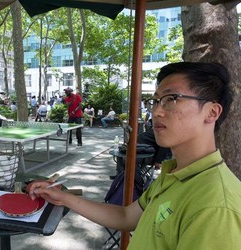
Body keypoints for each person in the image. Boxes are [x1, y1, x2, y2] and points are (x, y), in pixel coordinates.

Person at [27, 62, 241, 249]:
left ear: (212, 112)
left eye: (171, 98)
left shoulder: (216, 207)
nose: (157, 111)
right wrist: (64, 198)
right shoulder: (175, 174)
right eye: (156, 101)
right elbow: (126, 217)